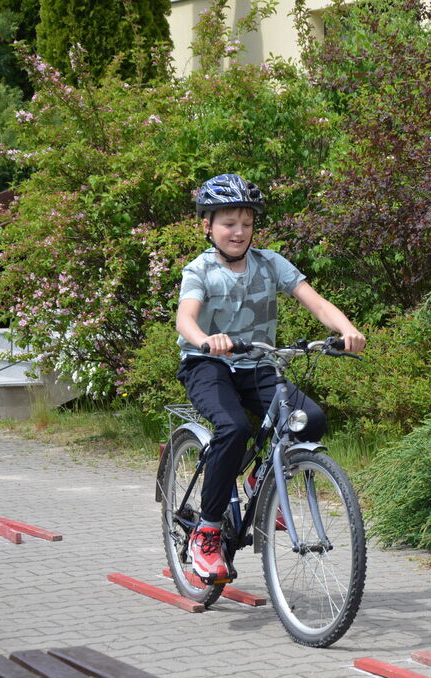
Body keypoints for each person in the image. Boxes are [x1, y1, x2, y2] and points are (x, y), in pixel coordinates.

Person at [175, 173, 365, 583]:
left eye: (246, 222)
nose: (238, 231)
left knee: (309, 418)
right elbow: (185, 318)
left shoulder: (269, 262)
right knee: (233, 427)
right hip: (207, 363)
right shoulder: (200, 270)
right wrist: (207, 341)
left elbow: (315, 302)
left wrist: (346, 330)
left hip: (259, 362)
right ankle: (207, 533)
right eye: (228, 223)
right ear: (207, 226)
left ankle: (261, 479)